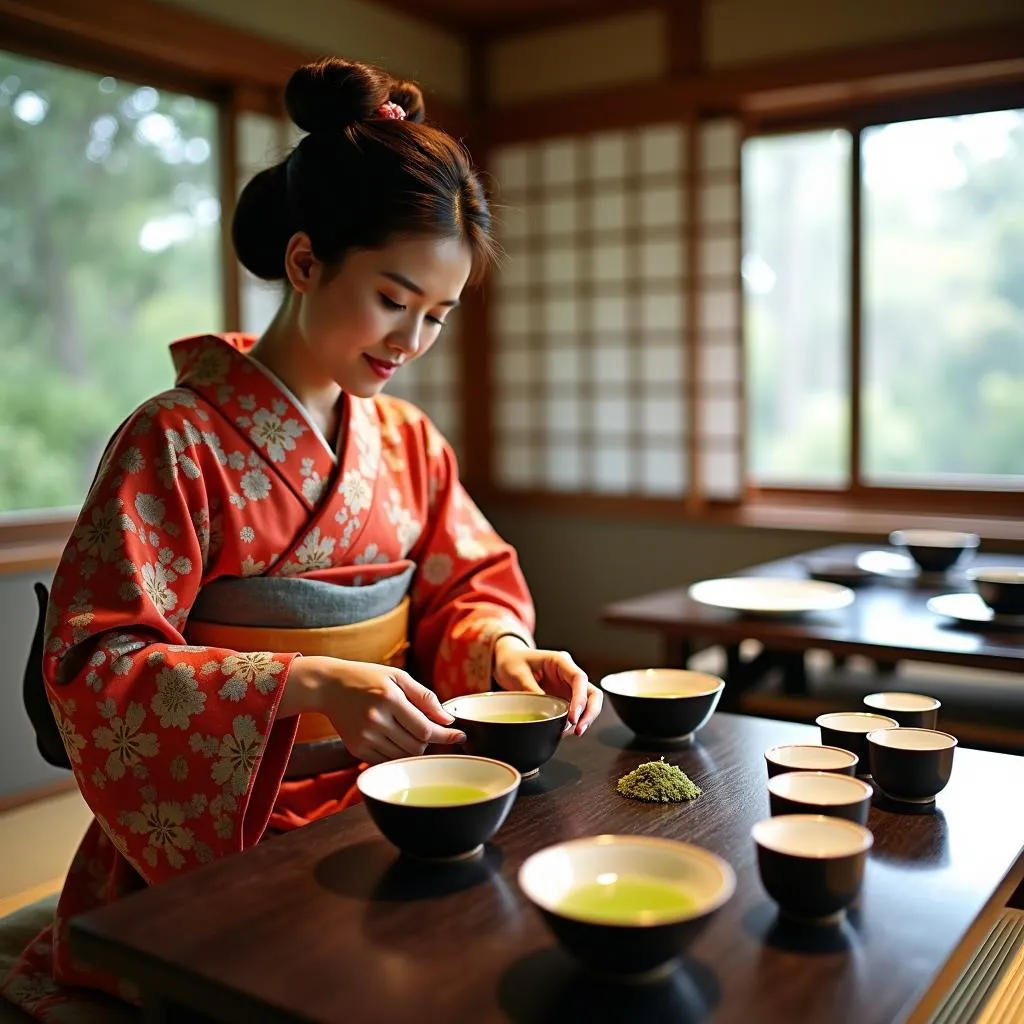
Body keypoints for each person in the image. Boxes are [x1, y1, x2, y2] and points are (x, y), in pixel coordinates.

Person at [2, 57, 603, 1020]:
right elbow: (97, 659)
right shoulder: (175, 438)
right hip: (219, 835)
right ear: (305, 260)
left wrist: (507, 652)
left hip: (400, 804)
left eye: (437, 316)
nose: (410, 341)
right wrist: (309, 683)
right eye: (393, 298)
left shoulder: (408, 441)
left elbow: (468, 585)